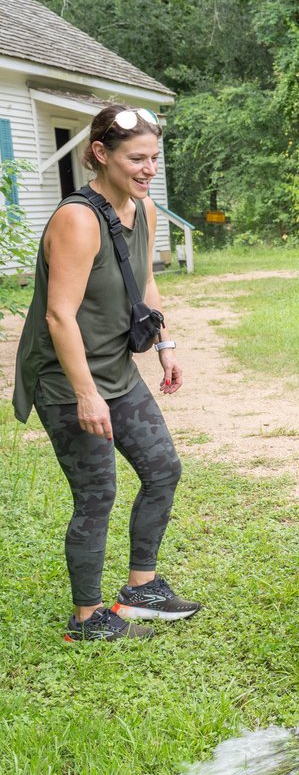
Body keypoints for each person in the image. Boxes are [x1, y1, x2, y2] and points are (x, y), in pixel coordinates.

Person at [12, 104, 200, 642]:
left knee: (163, 469)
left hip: (116, 370)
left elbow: (143, 280)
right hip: (67, 380)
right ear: (101, 154)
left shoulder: (144, 211)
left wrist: (165, 341)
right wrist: (86, 395)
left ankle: (140, 588)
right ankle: (86, 617)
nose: (148, 169)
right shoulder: (76, 219)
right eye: (136, 158)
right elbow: (58, 315)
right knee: (97, 494)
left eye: (154, 159)